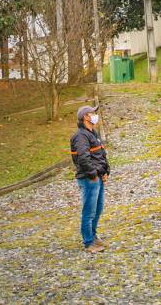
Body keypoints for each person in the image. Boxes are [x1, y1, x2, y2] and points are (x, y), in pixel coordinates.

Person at [70, 104, 109, 252]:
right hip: (89, 179)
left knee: (98, 209)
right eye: (92, 113)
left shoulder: (93, 133)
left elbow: (101, 155)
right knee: (89, 211)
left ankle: (93, 236)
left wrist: (106, 171)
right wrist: (93, 174)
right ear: (85, 117)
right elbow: (83, 158)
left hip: (98, 176)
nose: (95, 115)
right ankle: (88, 242)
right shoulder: (80, 136)